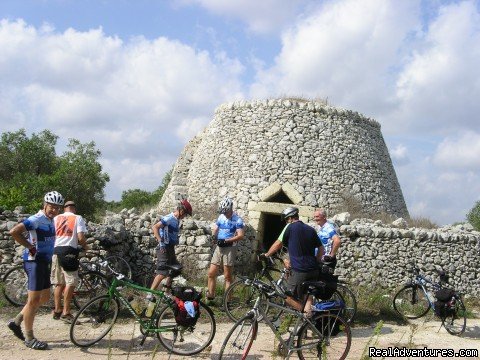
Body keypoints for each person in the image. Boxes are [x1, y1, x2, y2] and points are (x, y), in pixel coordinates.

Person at [7, 191, 64, 350]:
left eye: (57, 208)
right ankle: (29, 338)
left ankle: (16, 321)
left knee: (44, 298)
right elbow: (14, 232)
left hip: (43, 262)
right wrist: (30, 247)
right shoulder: (37, 219)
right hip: (34, 263)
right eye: (52, 207)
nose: (54, 210)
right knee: (33, 301)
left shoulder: (50, 220)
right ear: (45, 205)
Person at [263, 207, 319, 312]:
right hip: (314, 270)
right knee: (307, 296)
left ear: (289, 218)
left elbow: (278, 244)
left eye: (285, 220)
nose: (286, 222)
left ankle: (307, 317)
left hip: (300, 270)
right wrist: (317, 261)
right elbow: (321, 248)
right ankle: (308, 321)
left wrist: (267, 255)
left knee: (286, 296)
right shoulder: (310, 229)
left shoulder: (290, 227)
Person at [51, 200, 88, 323]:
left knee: (59, 283)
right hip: (69, 252)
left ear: (64, 208)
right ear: (74, 208)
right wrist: (86, 247)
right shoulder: (78, 218)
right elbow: (81, 237)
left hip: (56, 251)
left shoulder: (56, 218)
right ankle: (66, 313)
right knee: (71, 282)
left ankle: (57, 310)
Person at [147, 199, 193, 298]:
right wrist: (160, 241)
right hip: (163, 248)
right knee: (162, 272)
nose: (185, 216)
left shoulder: (177, 220)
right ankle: (150, 294)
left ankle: (166, 292)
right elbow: (155, 227)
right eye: (185, 214)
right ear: (181, 211)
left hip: (170, 248)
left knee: (175, 269)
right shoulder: (169, 218)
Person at [206, 197, 245, 302]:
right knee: (211, 273)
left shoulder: (238, 220)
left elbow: (241, 235)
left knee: (227, 276)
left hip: (229, 248)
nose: (224, 214)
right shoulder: (221, 217)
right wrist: (214, 236)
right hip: (219, 247)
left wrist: (228, 240)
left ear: (230, 208)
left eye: (226, 211)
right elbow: (216, 228)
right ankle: (210, 297)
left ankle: (228, 301)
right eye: (223, 212)